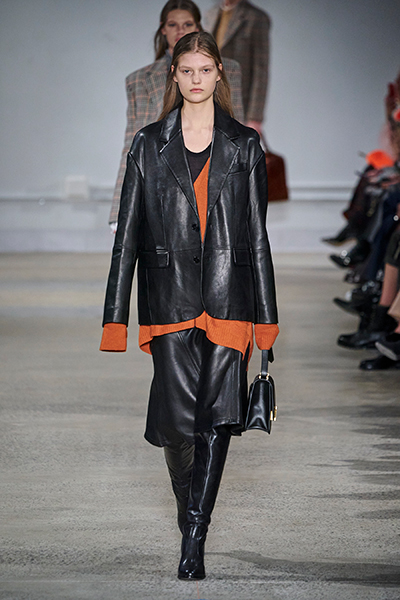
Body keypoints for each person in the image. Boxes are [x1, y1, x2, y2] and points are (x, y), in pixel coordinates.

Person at [100, 31, 279, 579]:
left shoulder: (244, 144)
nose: (196, 79)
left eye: (205, 69)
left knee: (216, 420)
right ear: (173, 75)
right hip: (169, 297)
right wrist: (114, 319)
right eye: (186, 70)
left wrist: (267, 320)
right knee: (178, 427)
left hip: (231, 296)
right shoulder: (148, 144)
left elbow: (257, 236)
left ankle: (194, 535)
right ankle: (188, 511)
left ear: (219, 73)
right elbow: (127, 235)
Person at [109, 0, 244, 228]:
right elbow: (132, 149)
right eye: (173, 24)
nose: (180, 30)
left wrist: (243, 205)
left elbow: (236, 134)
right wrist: (119, 213)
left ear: (198, 27)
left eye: (187, 24)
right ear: (163, 29)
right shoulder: (139, 81)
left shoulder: (228, 70)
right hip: (159, 188)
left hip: (212, 183)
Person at [205, 0, 271, 134]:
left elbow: (261, 71)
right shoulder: (210, 14)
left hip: (239, 105)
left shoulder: (256, 18)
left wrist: (254, 118)